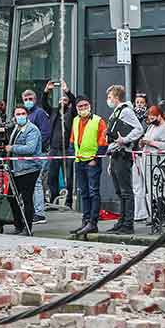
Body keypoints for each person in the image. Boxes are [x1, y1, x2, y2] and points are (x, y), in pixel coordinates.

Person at [104, 85, 144, 234]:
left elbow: (139, 129)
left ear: (116, 97)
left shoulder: (125, 111)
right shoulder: (116, 112)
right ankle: (122, 221)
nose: (108, 100)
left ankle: (128, 224)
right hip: (115, 154)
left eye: (110, 97)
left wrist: (125, 139)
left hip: (122, 154)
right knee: (120, 191)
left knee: (126, 191)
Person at [68, 97, 107, 236]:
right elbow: (73, 140)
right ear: (77, 108)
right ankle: (85, 221)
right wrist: (73, 154)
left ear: (90, 105)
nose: (83, 108)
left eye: (85, 105)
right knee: (84, 193)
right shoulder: (75, 120)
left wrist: (95, 159)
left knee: (93, 192)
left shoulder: (98, 121)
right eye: (80, 106)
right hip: (79, 161)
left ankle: (93, 222)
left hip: (92, 161)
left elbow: (103, 141)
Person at [6, 104, 42, 236]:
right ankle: (18, 224)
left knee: (27, 198)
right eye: (17, 114)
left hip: (29, 168)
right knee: (11, 196)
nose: (20, 116)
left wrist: (12, 148)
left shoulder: (32, 130)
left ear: (27, 115)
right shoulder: (16, 128)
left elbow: (30, 149)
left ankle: (27, 227)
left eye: (22, 114)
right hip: (16, 168)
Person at [137, 105, 165, 223]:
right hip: (148, 162)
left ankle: (162, 216)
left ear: (159, 116)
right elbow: (146, 139)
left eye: (153, 117)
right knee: (151, 189)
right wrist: (143, 143)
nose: (151, 119)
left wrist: (151, 142)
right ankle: (154, 215)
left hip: (159, 163)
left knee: (159, 188)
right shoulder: (151, 127)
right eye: (150, 117)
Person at [41, 80, 76, 209]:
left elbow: (75, 102)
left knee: (68, 178)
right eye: (61, 100)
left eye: (65, 100)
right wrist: (47, 91)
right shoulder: (54, 112)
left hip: (67, 149)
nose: (63, 102)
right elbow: (44, 104)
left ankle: (68, 202)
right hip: (54, 149)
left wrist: (67, 91)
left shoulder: (72, 114)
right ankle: (54, 200)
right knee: (52, 177)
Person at [21, 88, 53, 224]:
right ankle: (33, 211)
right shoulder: (25, 115)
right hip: (29, 154)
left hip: (39, 153)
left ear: (35, 100)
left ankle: (39, 213)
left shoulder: (39, 113)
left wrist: (36, 148)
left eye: (30, 99)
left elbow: (45, 133)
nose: (28, 102)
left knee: (37, 182)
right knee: (31, 182)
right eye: (25, 99)